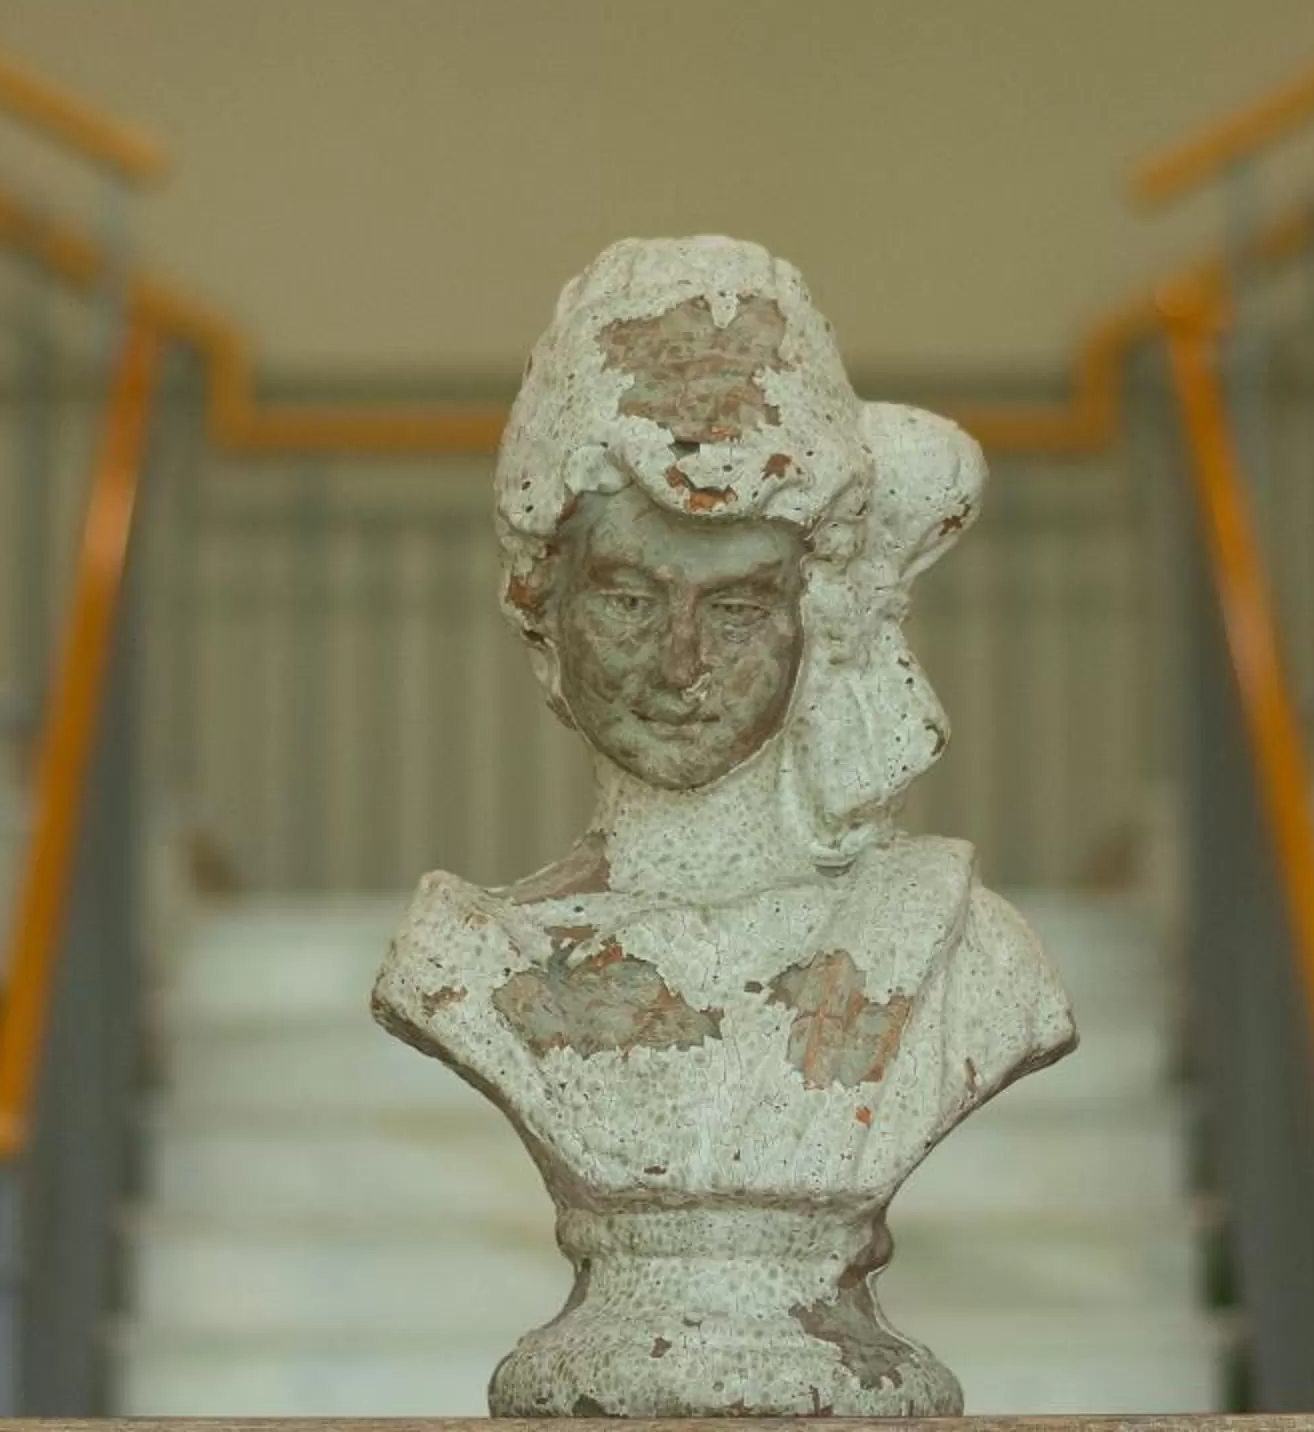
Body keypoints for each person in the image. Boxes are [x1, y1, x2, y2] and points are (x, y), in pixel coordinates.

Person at [372, 235, 1076, 1419]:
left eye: (741, 602)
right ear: (537, 603)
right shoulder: (466, 961)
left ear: (822, 614)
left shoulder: (965, 958)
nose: (683, 661)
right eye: (631, 596)